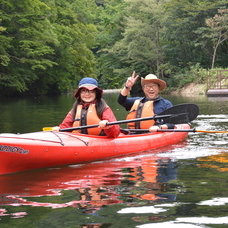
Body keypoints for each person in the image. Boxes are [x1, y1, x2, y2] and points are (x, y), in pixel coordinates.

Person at [53, 77, 120, 138]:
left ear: (96, 93)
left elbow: (115, 133)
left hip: (99, 140)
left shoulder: (103, 108)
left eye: (91, 91)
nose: (87, 94)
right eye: (83, 91)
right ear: (79, 93)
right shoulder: (76, 108)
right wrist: (59, 129)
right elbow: (65, 126)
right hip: (80, 140)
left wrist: (108, 126)